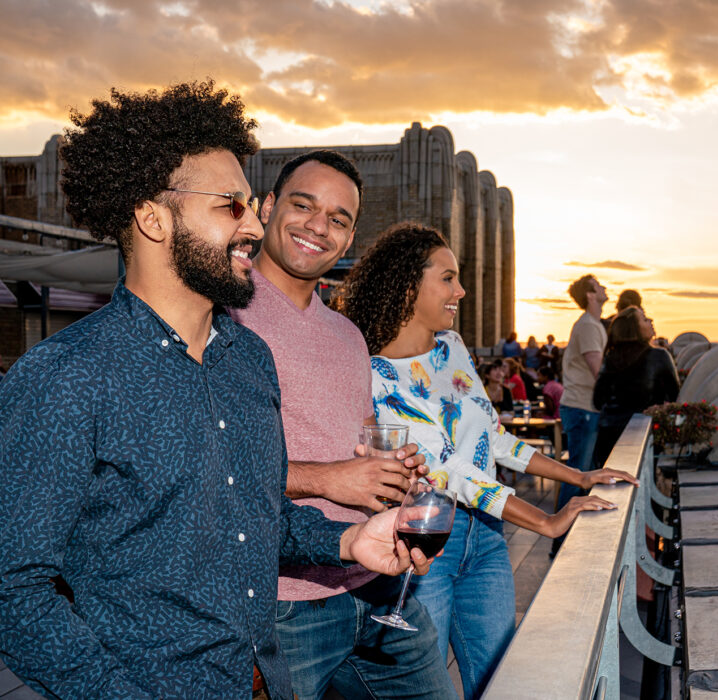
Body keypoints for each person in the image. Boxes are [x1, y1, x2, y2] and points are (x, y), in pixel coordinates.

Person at [0, 81, 432, 700]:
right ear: (153, 218)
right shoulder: (67, 374)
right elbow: (14, 590)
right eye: (232, 206)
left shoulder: (248, 359)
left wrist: (345, 540)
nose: (256, 225)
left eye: (252, 206)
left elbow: (254, 517)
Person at [337, 223, 637, 700]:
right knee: (428, 690)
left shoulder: (452, 348)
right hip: (427, 549)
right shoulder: (372, 373)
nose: (461, 290)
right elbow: (449, 476)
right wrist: (546, 521)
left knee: (499, 679)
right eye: (449, 277)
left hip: (488, 542)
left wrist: (578, 475)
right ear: (409, 285)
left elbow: (493, 440)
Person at [229, 149, 456, 699]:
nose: (318, 226)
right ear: (265, 207)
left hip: (376, 585)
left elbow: (358, 445)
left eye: (338, 219)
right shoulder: (221, 316)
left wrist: (395, 471)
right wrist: (328, 479)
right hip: (282, 604)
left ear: (351, 238)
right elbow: (210, 465)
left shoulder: (347, 334)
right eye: (303, 205)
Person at [551, 273, 609, 557]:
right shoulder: (588, 325)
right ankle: (560, 541)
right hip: (583, 409)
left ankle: (565, 539)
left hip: (585, 408)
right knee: (578, 475)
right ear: (590, 294)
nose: (604, 288)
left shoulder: (593, 324)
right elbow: (599, 372)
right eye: (599, 286)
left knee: (580, 472)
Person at [592, 307, 680, 467]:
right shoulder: (659, 356)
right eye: (645, 319)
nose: (651, 320)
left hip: (609, 437)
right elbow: (676, 397)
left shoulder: (610, 359)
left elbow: (597, 401)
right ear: (634, 329)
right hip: (644, 437)